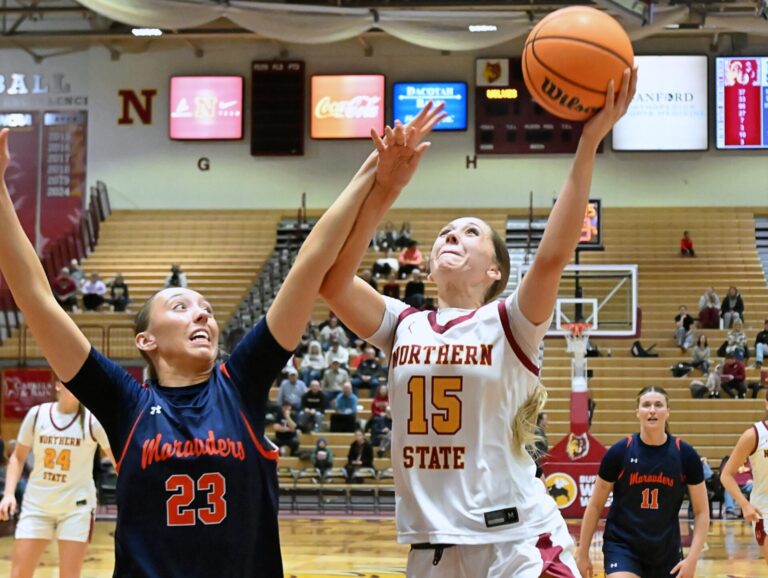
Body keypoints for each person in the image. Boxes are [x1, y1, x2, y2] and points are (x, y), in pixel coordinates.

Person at [0, 125, 394, 577]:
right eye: (181, 306)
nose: (202, 314)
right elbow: (35, 296)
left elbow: (309, 264)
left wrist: (371, 172)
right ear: (145, 340)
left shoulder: (240, 384)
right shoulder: (123, 403)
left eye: (206, 309)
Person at [319, 73, 637, 577]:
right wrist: (381, 188)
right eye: (446, 231)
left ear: (495, 271)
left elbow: (554, 255)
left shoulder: (509, 321)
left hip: (517, 540)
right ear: (427, 265)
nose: (452, 234)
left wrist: (588, 142)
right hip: (432, 546)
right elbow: (332, 281)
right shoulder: (404, 323)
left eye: (470, 232)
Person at [576, 386, 709, 578]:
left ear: (668, 412)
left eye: (658, 405)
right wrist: (582, 554)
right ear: (637, 412)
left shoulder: (685, 454)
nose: (652, 410)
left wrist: (692, 558)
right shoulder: (620, 452)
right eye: (646, 405)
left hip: (665, 550)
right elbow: (595, 506)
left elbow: (701, 511)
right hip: (623, 545)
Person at [0, 379, 114, 578]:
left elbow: (118, 461)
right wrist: (9, 494)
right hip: (37, 505)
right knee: (18, 574)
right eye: (69, 382)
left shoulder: (92, 421)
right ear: (57, 385)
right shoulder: (37, 415)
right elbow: (17, 458)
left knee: (69, 575)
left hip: (76, 508)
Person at [721, 400, 768, 559]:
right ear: (766, 404)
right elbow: (726, 475)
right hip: (764, 510)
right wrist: (744, 504)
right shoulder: (755, 434)